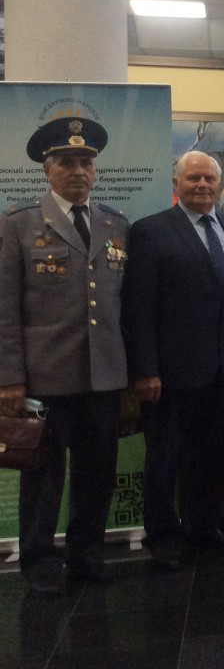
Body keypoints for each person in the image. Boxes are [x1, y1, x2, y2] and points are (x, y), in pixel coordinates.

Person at [0, 118, 127, 595]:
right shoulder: (19, 225)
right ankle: (38, 560)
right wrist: (9, 378)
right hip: (46, 377)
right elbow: (5, 309)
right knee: (44, 476)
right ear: (47, 171)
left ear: (95, 170)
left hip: (104, 376)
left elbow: (119, 305)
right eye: (67, 162)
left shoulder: (115, 224)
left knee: (97, 474)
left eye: (86, 162)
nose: (79, 171)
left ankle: (86, 554)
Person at [122, 151, 224, 572]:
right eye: (193, 178)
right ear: (176, 184)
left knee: (212, 455)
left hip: (222, 369)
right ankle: (163, 537)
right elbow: (139, 307)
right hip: (170, 373)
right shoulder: (151, 232)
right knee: (165, 458)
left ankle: (204, 527)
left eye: (209, 179)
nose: (202, 185)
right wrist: (145, 369)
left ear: (219, 184)